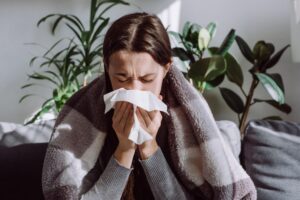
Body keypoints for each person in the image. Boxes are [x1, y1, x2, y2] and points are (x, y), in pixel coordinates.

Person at [42, 12, 256, 200]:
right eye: (122, 78)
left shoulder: (186, 119)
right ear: (107, 67)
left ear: (166, 68)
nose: (135, 90)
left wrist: (148, 146)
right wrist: (124, 150)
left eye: (146, 79)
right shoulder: (85, 114)